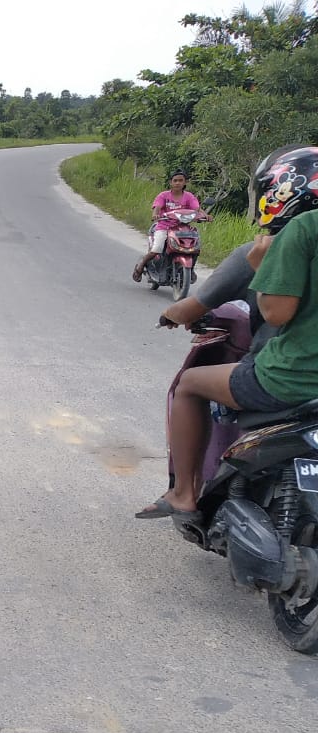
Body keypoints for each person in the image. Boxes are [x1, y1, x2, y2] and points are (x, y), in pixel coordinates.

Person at [136, 145, 318, 520]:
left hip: (291, 378)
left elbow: (273, 312)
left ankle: (184, 493)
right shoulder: (167, 202)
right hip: (171, 233)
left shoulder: (282, 240)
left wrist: (170, 314)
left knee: (190, 384)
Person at [133, 170, 202, 282]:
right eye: (175, 180)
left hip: (182, 229)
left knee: (195, 248)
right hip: (164, 227)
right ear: (170, 182)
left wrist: (204, 216)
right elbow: (157, 207)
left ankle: (191, 269)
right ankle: (140, 266)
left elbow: (197, 209)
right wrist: (155, 214)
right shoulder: (164, 195)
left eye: (181, 180)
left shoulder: (189, 196)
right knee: (157, 248)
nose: (178, 183)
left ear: (185, 182)